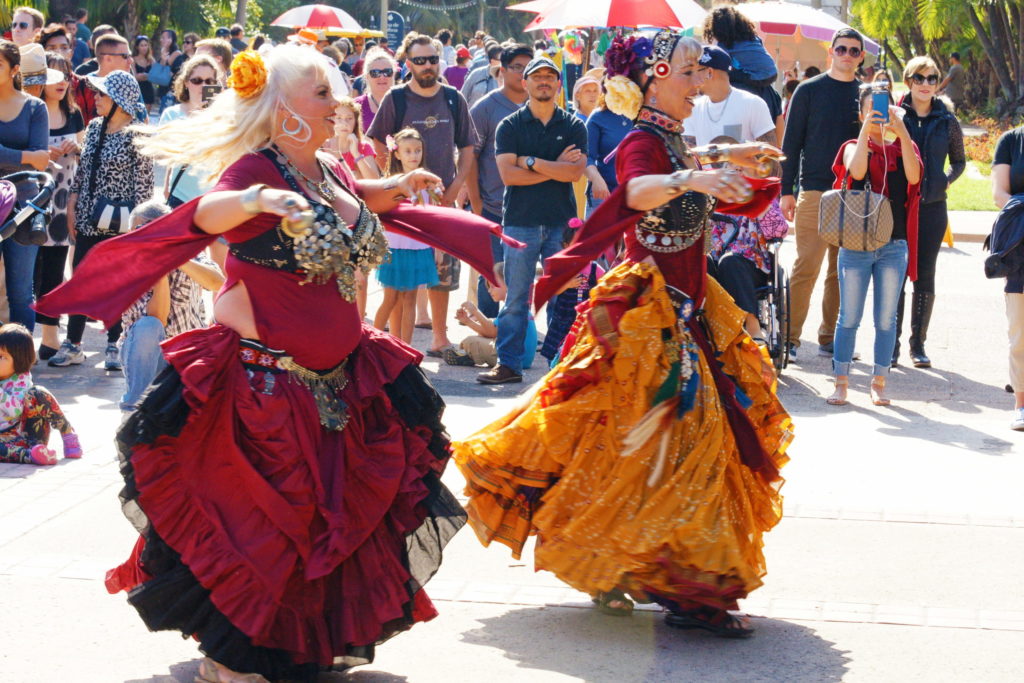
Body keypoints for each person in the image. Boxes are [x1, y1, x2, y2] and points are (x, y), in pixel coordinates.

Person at [36, 43, 512, 682]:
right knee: (263, 528)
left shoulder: (326, 168)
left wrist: (392, 188)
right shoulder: (252, 172)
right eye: (322, 93)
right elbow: (207, 214)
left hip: (339, 380)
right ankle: (231, 658)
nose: (338, 102)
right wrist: (260, 203)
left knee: (322, 527)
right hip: (265, 385)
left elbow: (353, 203)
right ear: (281, 106)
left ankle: (298, 643)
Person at [453, 31, 790, 637]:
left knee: (666, 448)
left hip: (687, 305)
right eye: (689, 71)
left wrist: (725, 159)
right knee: (664, 445)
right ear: (657, 77)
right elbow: (637, 189)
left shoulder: (669, 135)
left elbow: (682, 163)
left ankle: (655, 572)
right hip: (647, 314)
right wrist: (694, 177)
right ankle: (678, 585)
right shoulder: (641, 140)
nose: (700, 80)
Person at [476, 55, 587, 385]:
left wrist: (531, 162)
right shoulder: (509, 126)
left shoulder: (574, 126)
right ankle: (508, 365)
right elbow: (508, 176)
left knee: (564, 297)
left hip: (561, 223)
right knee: (516, 298)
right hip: (520, 222)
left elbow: (575, 172)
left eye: (549, 77)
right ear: (525, 83)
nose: (543, 81)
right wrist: (553, 166)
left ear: (557, 84)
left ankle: (562, 365)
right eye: (536, 76)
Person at [367, 32, 477, 357]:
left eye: (432, 59)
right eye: (420, 60)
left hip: (442, 201)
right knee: (403, 284)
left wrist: (455, 188)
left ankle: (440, 339)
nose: (427, 65)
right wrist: (397, 181)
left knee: (442, 272)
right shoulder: (396, 99)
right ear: (408, 63)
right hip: (406, 204)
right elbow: (377, 142)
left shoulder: (454, 98)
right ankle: (398, 347)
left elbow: (468, 147)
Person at [49, 70, 154, 370]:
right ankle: (73, 344)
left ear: (120, 100)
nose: (95, 98)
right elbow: (83, 172)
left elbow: (144, 186)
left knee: (116, 283)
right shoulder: (94, 127)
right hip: (88, 219)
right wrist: (72, 204)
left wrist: (140, 228)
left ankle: (114, 343)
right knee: (81, 279)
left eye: (102, 94)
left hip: (121, 223)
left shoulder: (139, 134)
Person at [826, 85, 921, 406]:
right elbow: (857, 171)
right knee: (848, 316)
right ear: (861, 114)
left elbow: (913, 176)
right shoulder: (853, 146)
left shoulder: (903, 149)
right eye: (872, 110)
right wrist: (868, 125)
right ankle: (841, 382)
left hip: (894, 245)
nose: (879, 116)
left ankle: (878, 383)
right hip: (856, 243)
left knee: (885, 320)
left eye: (883, 110)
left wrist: (902, 131)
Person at [781, 28, 864, 361]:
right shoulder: (808, 91)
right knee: (806, 267)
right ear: (831, 52)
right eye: (841, 49)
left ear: (861, 57)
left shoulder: (866, 93)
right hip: (815, 189)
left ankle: (831, 337)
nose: (847, 55)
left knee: (842, 271)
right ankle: (788, 337)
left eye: (854, 51)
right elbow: (791, 143)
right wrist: (786, 191)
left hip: (855, 193)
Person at [895, 56, 966, 368]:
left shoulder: (946, 120)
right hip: (898, 206)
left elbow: (960, 161)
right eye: (919, 78)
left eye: (932, 78)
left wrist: (944, 181)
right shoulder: (895, 115)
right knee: (894, 275)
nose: (926, 84)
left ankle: (917, 343)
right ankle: (890, 344)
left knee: (925, 275)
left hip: (933, 208)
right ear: (909, 80)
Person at [119, 201, 223, 411]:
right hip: (147, 357)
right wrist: (160, 269)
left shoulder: (189, 252)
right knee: (148, 326)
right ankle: (133, 411)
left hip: (186, 355)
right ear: (131, 232)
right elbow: (157, 319)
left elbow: (217, 282)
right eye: (146, 229)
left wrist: (175, 256)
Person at [468, 43, 533, 317]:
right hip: (493, 206)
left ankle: (516, 330)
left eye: (527, 68)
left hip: (530, 207)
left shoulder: (540, 107)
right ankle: (487, 334)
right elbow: (470, 158)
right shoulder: (485, 108)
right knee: (491, 275)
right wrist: (476, 203)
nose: (522, 74)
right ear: (502, 71)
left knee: (523, 273)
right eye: (517, 67)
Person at [35, 51, 84, 361]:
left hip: (64, 202)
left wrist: (75, 148)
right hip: (33, 202)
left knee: (54, 272)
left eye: (66, 74)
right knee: (30, 271)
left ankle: (50, 336)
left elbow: (83, 152)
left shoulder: (75, 113)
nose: (62, 81)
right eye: (54, 74)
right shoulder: (31, 110)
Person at [0, 40, 50, 332]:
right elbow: (33, 156)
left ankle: (20, 368)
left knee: (21, 291)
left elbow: (42, 161)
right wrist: (25, 156)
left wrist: (24, 157)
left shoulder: (34, 107)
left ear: (14, 69)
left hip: (25, 206)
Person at [373, 128, 439, 343]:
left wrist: (436, 250)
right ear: (397, 154)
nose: (414, 155)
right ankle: (373, 343)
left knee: (410, 298)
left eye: (417, 150)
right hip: (394, 249)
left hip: (418, 249)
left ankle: (406, 349)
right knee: (390, 298)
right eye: (408, 151)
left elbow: (434, 219)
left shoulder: (429, 183)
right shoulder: (391, 184)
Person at [0, 324, 81, 466]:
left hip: (31, 434)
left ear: (19, 360)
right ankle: (32, 455)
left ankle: (68, 434)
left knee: (37, 392)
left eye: (1, 357)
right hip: (8, 441)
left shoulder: (21, 381)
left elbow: (15, 411)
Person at [702, 5, 784, 143]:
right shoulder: (755, 43)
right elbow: (779, 127)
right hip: (766, 95)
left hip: (735, 151)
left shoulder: (722, 54)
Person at [160, 55, 224, 209]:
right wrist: (167, 185)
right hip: (179, 197)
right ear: (186, 83)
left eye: (209, 81)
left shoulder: (222, 116)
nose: (203, 86)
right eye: (197, 80)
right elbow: (164, 155)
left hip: (211, 199)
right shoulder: (171, 114)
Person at [583, 73, 632, 219]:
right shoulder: (598, 117)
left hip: (636, 193)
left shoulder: (642, 115)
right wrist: (597, 180)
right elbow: (586, 156)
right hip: (604, 194)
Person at [328, 96, 379, 180]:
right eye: (339, 118)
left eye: (349, 118)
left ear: (355, 122)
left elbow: (374, 181)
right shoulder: (322, 148)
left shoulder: (364, 147)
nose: (344, 123)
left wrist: (356, 154)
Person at [352, 47, 397, 130]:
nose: (382, 77)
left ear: (394, 74)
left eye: (387, 72)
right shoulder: (356, 106)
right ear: (367, 76)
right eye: (375, 73)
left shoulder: (406, 102)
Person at [461, 42, 503, 108]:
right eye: (501, 60)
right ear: (492, 61)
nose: (504, 62)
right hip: (473, 116)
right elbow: (463, 95)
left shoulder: (506, 76)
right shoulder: (477, 74)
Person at [155, 29, 186, 107]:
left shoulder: (176, 53)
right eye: (161, 38)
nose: (161, 40)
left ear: (171, 39)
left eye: (164, 37)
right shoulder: (164, 52)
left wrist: (163, 58)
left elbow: (166, 68)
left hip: (170, 90)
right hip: (163, 88)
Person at [132, 35, 155, 112]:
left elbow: (156, 76)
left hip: (148, 90)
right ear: (137, 47)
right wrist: (147, 76)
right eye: (141, 45)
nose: (144, 47)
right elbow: (135, 76)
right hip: (137, 90)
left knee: (146, 116)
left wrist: (144, 76)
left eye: (146, 45)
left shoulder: (151, 60)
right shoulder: (133, 60)